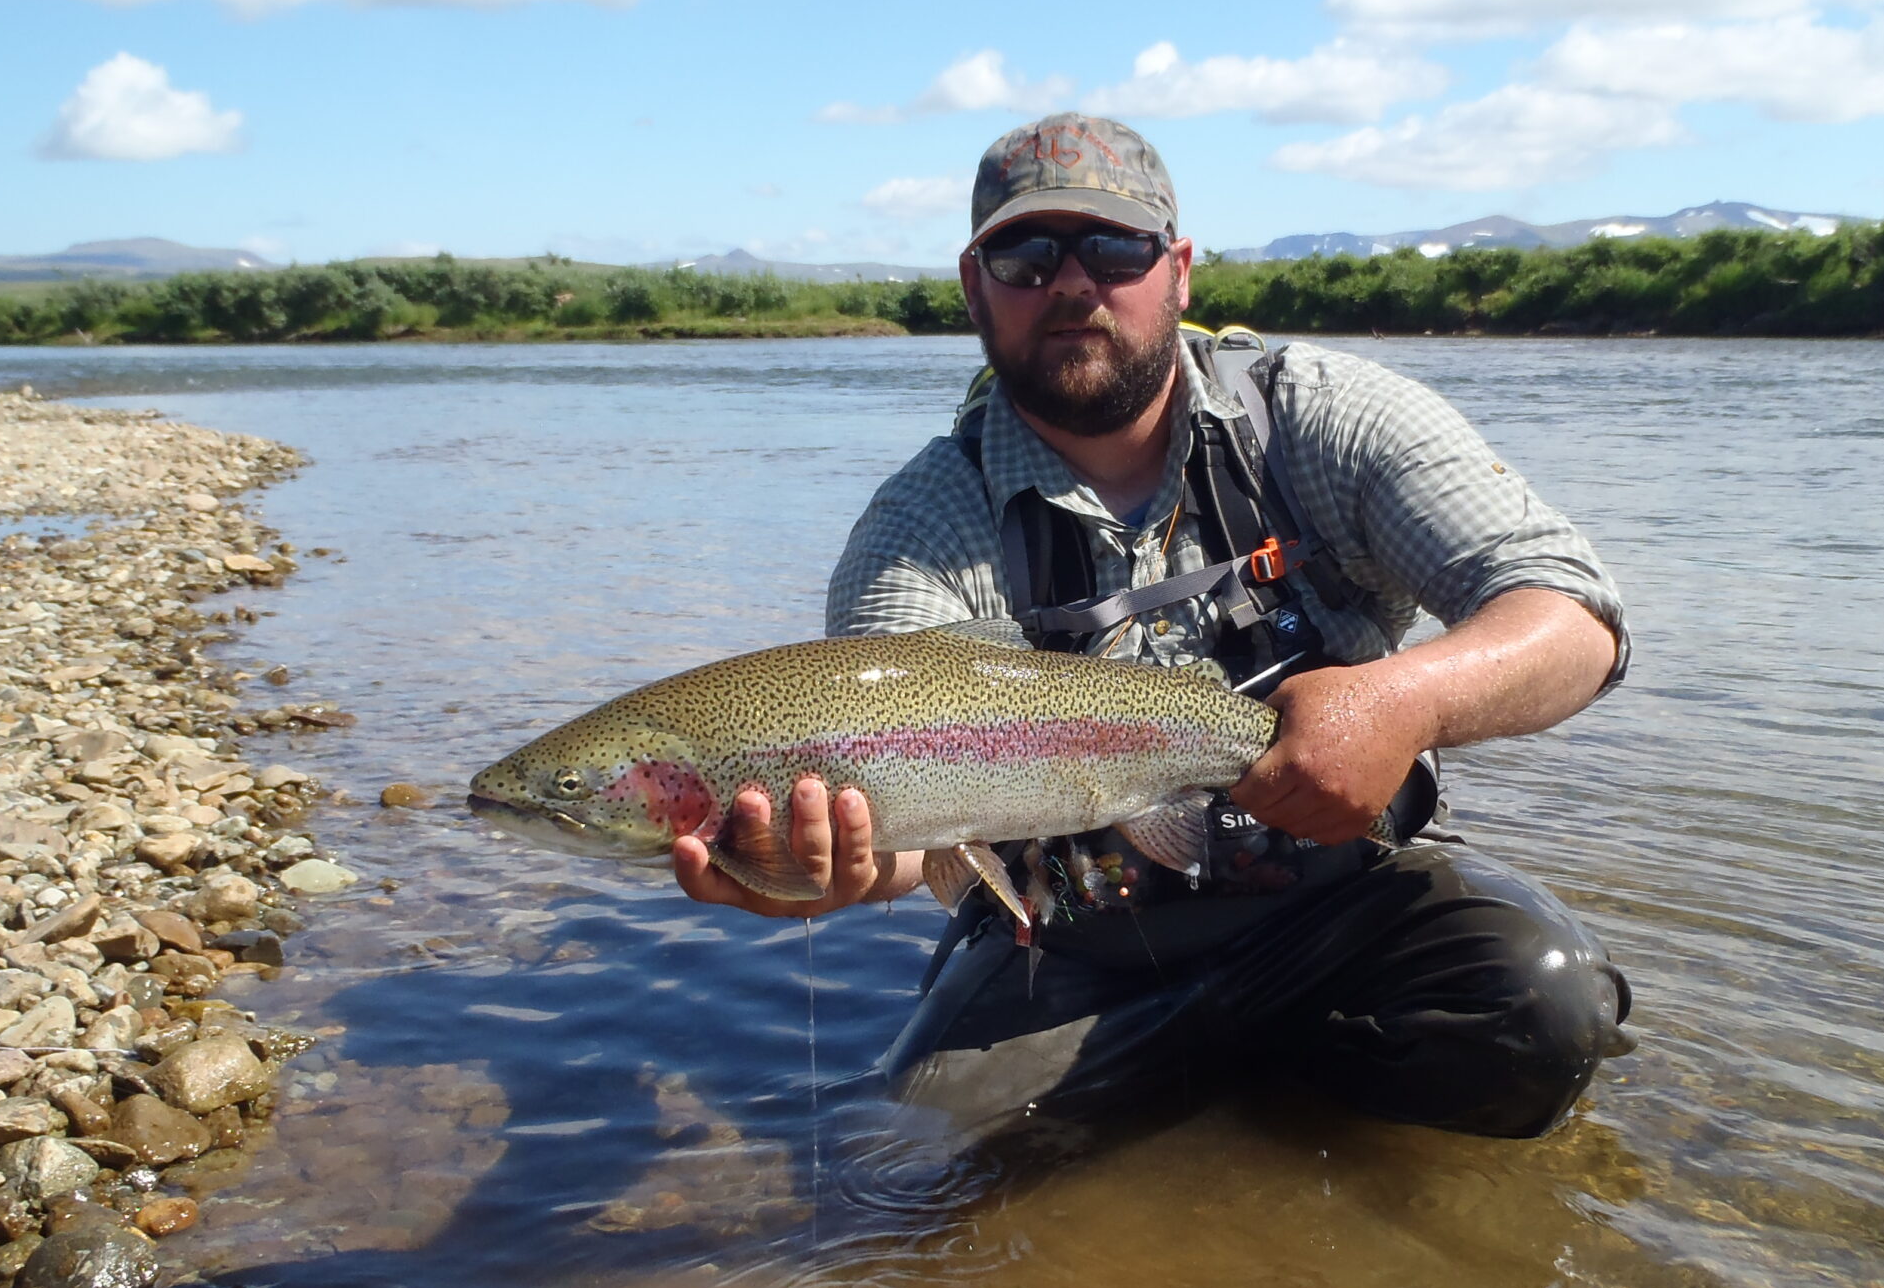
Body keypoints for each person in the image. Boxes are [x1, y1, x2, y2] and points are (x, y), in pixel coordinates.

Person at [673, 113, 1632, 1141]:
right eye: (1026, 254)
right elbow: (912, 836)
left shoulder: (1322, 417)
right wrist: (839, 867)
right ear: (973, 284)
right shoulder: (915, 532)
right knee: (939, 1151)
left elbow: (1572, 615)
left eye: (1115, 248)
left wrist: (1402, 699)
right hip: (1075, 945)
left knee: (1539, 1009)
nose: (1073, 284)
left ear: (1177, 271)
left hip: (1345, 908)